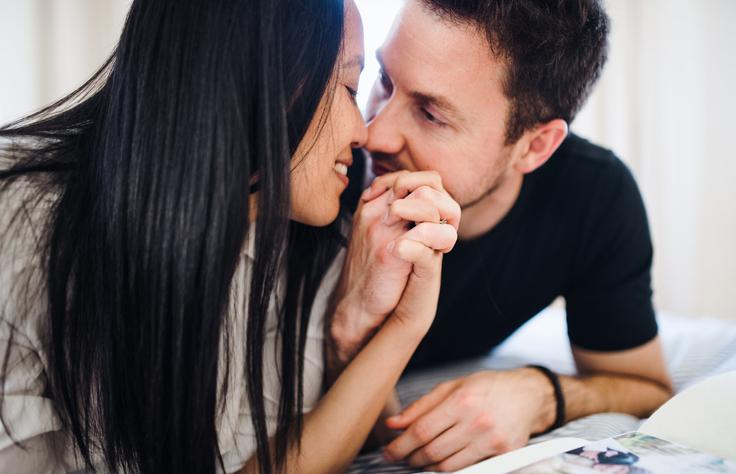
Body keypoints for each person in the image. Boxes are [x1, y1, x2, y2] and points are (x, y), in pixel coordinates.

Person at [0, 1, 460, 473]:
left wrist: (400, 324)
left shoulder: (300, 244)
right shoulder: (19, 223)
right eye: (349, 87)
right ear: (264, 76)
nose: (363, 134)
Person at [328, 0, 674, 471]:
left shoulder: (592, 195)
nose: (374, 134)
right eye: (384, 80)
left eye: (431, 114)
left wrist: (539, 394)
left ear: (534, 146)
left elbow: (645, 385)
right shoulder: (326, 177)